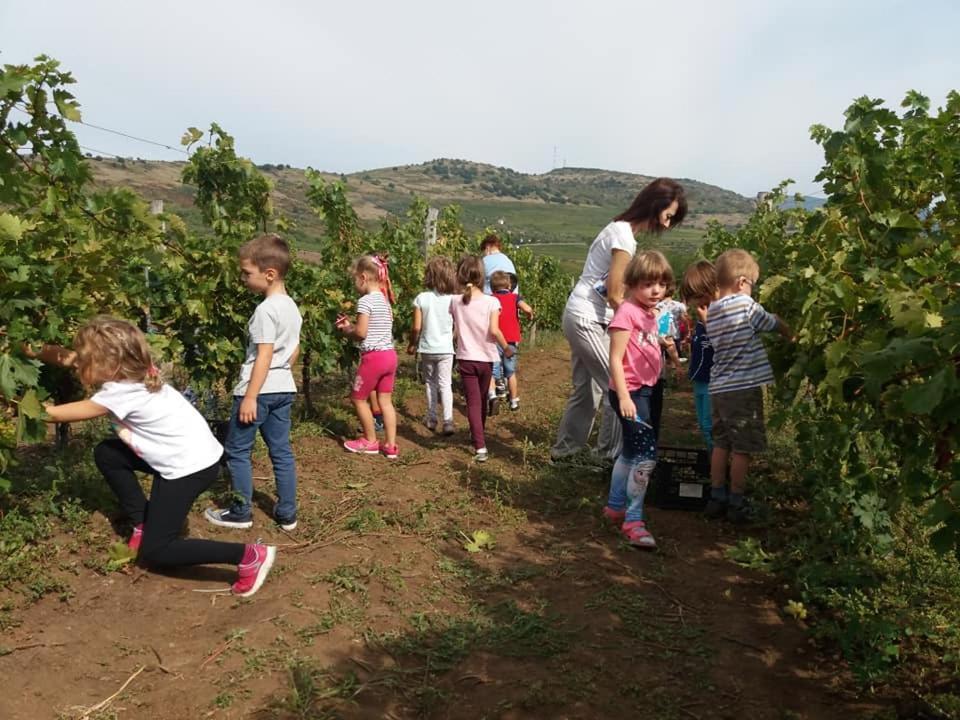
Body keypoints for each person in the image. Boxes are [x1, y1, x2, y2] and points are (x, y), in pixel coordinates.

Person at [40, 317, 275, 597]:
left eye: (87, 358)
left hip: (189, 467)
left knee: (158, 550)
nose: (79, 364)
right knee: (108, 454)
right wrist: (31, 349)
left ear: (108, 364)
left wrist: (19, 406)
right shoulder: (135, 373)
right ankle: (143, 522)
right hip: (194, 454)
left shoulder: (121, 393)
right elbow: (69, 359)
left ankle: (248, 555)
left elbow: (52, 414)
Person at [551, 178, 687, 463]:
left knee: (587, 389)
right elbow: (614, 294)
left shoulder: (620, 230)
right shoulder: (623, 237)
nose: (665, 225)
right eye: (668, 216)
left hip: (581, 314)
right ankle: (606, 458)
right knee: (617, 384)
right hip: (589, 317)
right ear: (655, 205)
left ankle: (566, 452)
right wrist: (640, 323)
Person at [206, 234, 303, 531]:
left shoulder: (265, 310)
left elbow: (263, 355)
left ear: (269, 274)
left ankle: (240, 512)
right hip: (283, 388)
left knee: (237, 451)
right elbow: (294, 350)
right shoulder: (291, 307)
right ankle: (287, 514)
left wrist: (250, 396)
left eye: (247, 273)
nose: (243, 278)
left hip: (258, 391)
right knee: (281, 451)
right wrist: (281, 374)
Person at [704, 249, 793, 523]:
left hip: (719, 389)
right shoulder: (745, 305)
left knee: (721, 442)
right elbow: (771, 322)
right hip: (743, 389)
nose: (752, 291)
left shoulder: (714, 310)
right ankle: (737, 500)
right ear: (742, 282)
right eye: (752, 285)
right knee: (743, 447)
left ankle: (716, 494)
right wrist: (790, 333)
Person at [602, 251, 675, 549]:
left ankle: (615, 506)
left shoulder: (648, 313)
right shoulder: (626, 313)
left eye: (660, 283)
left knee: (632, 451)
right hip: (631, 392)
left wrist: (662, 348)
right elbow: (615, 360)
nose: (655, 290)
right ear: (632, 284)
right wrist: (624, 397)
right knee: (645, 456)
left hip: (648, 389)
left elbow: (641, 347)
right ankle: (633, 521)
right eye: (647, 284)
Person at [449, 255, 514, 462]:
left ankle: (479, 445)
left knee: (473, 402)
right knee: (483, 399)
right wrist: (506, 348)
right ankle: (479, 435)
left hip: (466, 358)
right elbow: (494, 330)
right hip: (487, 359)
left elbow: (454, 330)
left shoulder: (455, 301)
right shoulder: (491, 302)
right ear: (481, 277)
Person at [337, 254, 400, 459]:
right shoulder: (384, 300)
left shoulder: (365, 302)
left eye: (355, 280)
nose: (355, 285)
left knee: (359, 399)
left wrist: (347, 329)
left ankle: (370, 441)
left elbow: (362, 333)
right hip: (390, 355)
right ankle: (390, 445)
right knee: (386, 401)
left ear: (363, 277)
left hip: (373, 358)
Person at [407, 256, 458, 435]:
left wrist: (412, 344)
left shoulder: (422, 298)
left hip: (427, 348)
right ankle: (448, 420)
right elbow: (457, 326)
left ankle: (431, 418)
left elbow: (416, 327)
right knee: (446, 384)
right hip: (446, 349)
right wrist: (451, 338)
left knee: (430, 382)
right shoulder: (454, 299)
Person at [680, 260, 718, 450]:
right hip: (700, 379)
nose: (694, 303)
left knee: (711, 426)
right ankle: (715, 464)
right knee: (704, 425)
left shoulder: (719, 315)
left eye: (696, 297)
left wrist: (708, 322)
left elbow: (724, 343)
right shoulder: (703, 316)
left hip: (713, 381)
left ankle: (718, 467)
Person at [489, 270, 534, 412]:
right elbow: (527, 308)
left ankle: (493, 396)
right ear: (509, 285)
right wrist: (529, 315)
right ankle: (514, 401)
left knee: (492, 370)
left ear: (492, 286)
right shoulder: (515, 298)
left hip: (494, 339)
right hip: (511, 340)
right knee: (510, 372)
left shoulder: (490, 299)